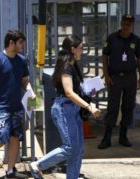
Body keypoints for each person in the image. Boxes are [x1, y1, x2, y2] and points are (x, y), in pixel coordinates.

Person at [28, 35, 101, 179]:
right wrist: (88, 106)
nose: (83, 51)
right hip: (64, 109)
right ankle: (38, 165)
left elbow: (76, 90)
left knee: (78, 150)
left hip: (72, 109)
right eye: (81, 48)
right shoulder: (66, 67)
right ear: (73, 49)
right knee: (70, 148)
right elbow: (68, 92)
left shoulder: (72, 65)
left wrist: (89, 91)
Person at [0, 29, 34, 178]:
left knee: (15, 137)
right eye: (20, 42)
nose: (23, 45)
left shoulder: (21, 60)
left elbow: (25, 81)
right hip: (0, 108)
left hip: (17, 107)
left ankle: (10, 170)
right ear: (11, 43)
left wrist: (30, 92)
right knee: (2, 136)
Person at [98, 14, 140, 149]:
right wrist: (106, 75)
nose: (126, 26)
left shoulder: (136, 40)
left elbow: (139, 58)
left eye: (129, 24)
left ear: (132, 25)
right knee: (112, 107)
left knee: (128, 107)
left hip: (130, 78)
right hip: (115, 78)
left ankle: (123, 136)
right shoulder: (112, 38)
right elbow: (105, 55)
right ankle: (107, 138)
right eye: (124, 23)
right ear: (121, 23)